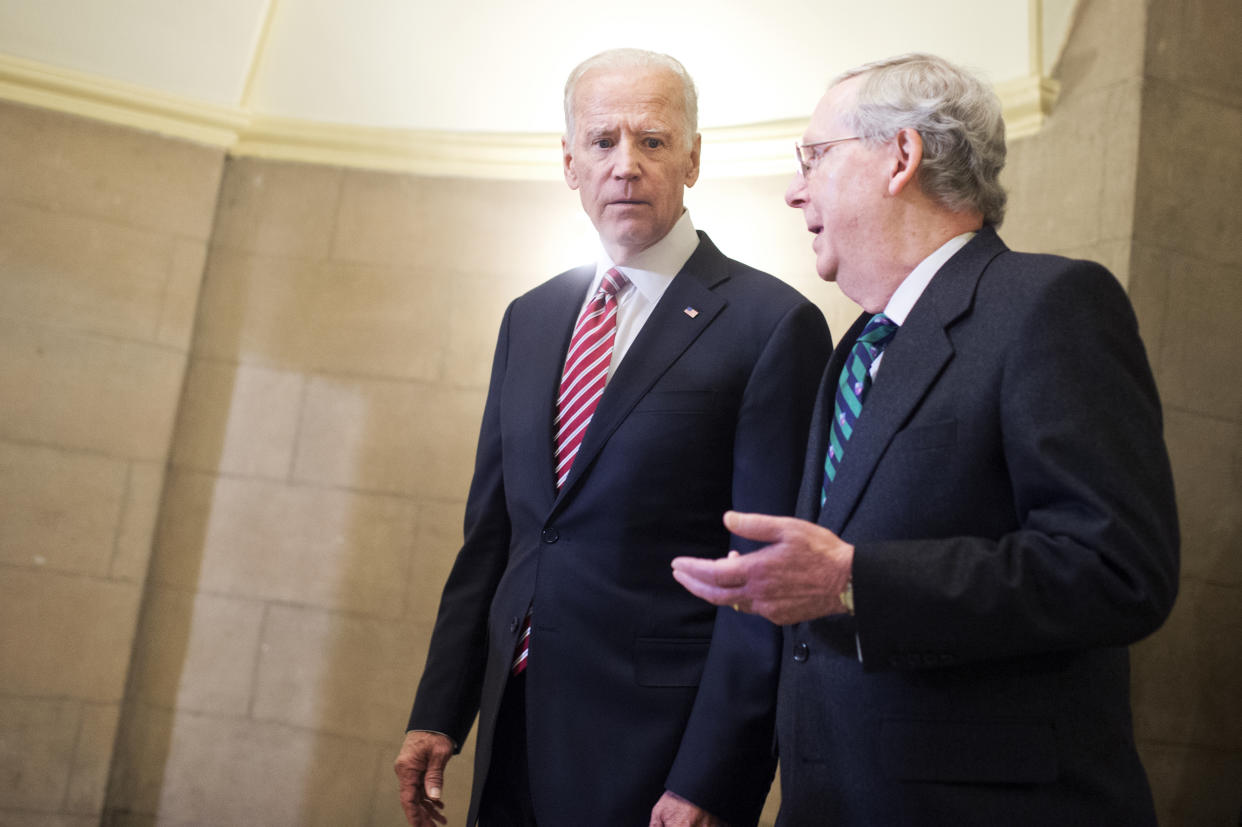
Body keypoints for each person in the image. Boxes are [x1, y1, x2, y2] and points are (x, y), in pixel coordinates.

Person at [672, 53, 1179, 825]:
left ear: (900, 157)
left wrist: (855, 583)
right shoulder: (853, 349)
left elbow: (1115, 568)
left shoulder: (1049, 304)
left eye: (814, 157)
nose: (793, 188)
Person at [394, 48, 830, 827]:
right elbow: (495, 541)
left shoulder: (771, 325)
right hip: (513, 735)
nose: (625, 165)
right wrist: (438, 711)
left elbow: (765, 584)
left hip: (656, 760)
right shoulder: (529, 317)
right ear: (569, 163)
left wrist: (713, 778)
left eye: (653, 142)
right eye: (602, 142)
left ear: (693, 159)